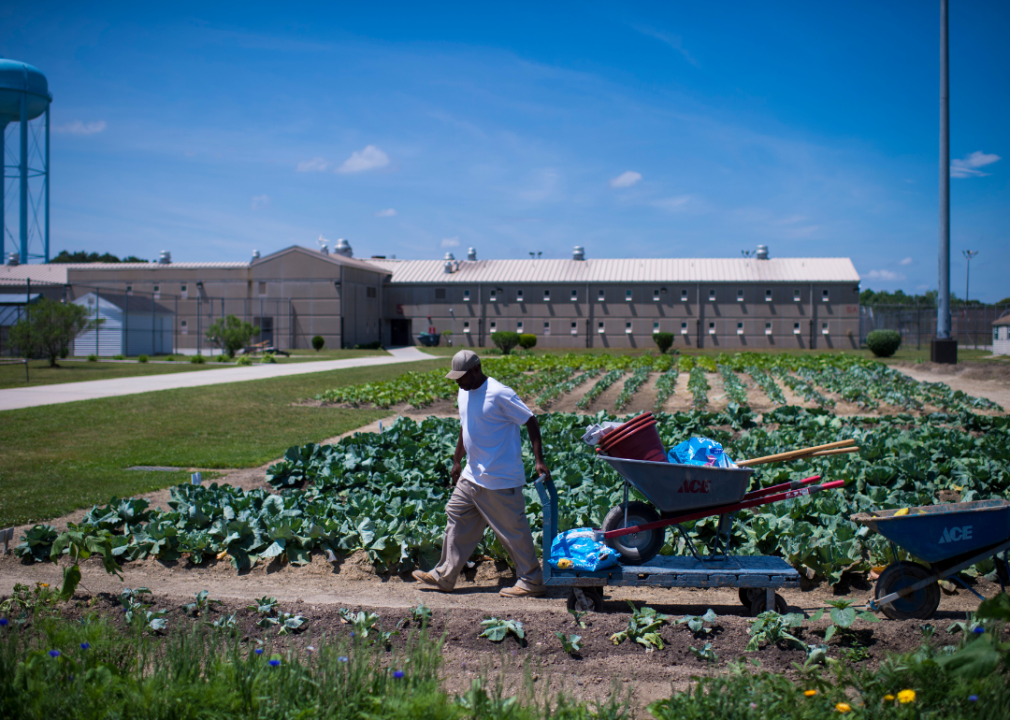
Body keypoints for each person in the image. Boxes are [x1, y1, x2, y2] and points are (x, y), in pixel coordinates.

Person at [412, 349, 550, 597]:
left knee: (512, 531)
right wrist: (457, 460)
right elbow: (466, 425)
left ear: (476, 370)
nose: (458, 382)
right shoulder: (464, 391)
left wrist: (539, 460)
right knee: (456, 515)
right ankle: (445, 575)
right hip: (472, 474)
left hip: (500, 478)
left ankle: (532, 580)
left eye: (461, 377)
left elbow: (530, 420)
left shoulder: (499, 393)